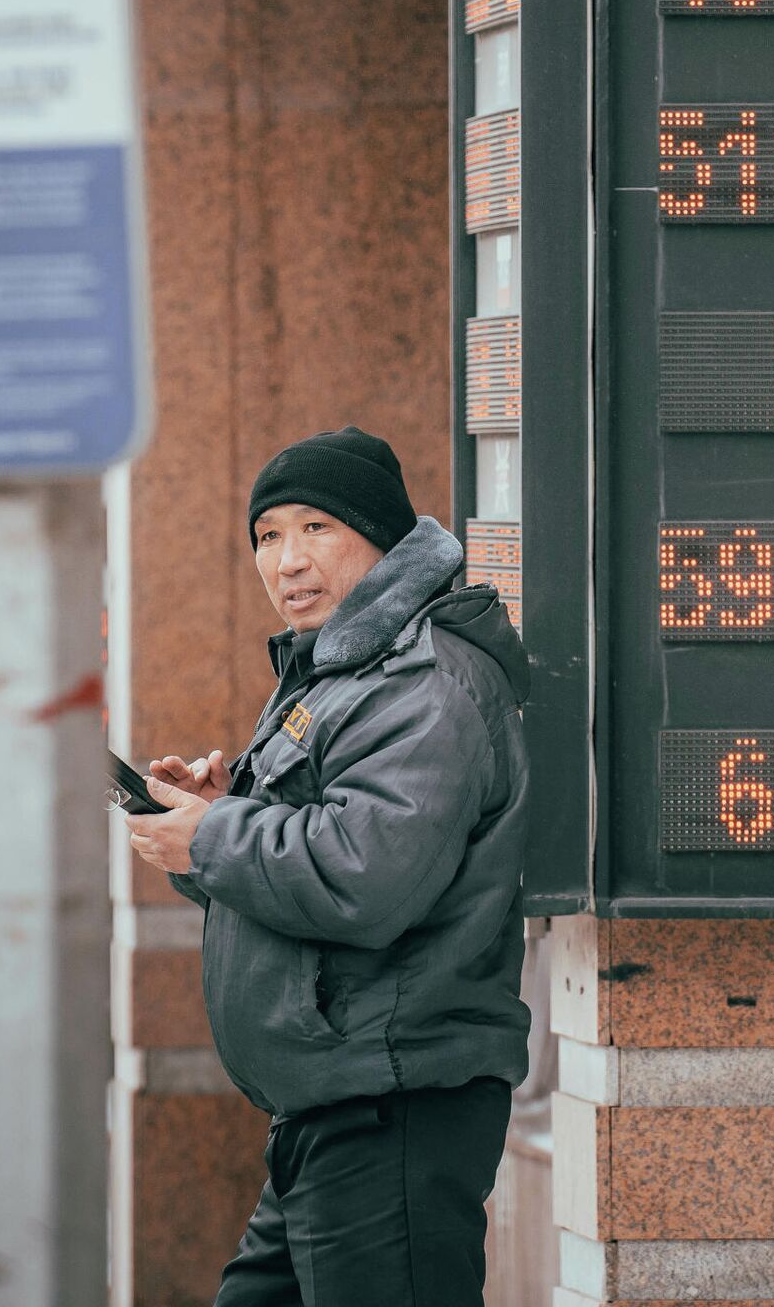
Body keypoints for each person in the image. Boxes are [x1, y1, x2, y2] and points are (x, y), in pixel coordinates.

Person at [128, 426, 531, 1307]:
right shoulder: (341, 672)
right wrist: (218, 814)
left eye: (316, 528)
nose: (287, 561)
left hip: (395, 1105)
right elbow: (302, 862)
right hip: (331, 1102)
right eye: (268, 536)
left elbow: (366, 878)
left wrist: (212, 835)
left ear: (381, 538)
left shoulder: (424, 682)